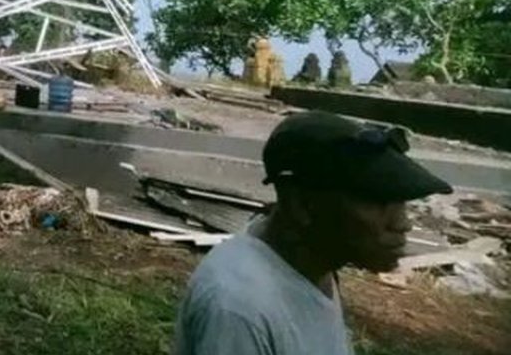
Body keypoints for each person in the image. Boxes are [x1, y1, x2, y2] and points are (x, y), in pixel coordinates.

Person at [173, 110, 453, 355]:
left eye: (400, 202)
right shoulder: (239, 308)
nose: (402, 223)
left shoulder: (314, 264)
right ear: (300, 204)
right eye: (378, 202)